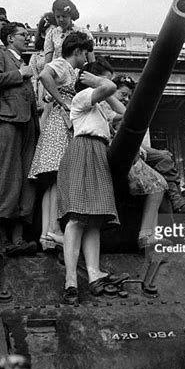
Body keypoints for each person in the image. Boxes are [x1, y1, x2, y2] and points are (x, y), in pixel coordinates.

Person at [57, 69, 125, 304]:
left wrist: (101, 84)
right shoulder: (81, 98)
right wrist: (98, 82)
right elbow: (109, 88)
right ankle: (70, 279)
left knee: (94, 219)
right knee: (76, 218)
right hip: (82, 150)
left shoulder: (99, 109)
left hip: (98, 153)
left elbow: (123, 111)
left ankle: (94, 274)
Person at [29, 32, 94, 250]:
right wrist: (63, 102)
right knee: (58, 177)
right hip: (60, 126)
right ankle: (53, 229)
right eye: (85, 53)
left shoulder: (70, 69)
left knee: (53, 181)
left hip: (58, 125)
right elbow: (44, 76)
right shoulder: (63, 64)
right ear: (77, 51)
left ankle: (48, 232)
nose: (87, 58)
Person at [0, 22, 40, 255]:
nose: (26, 39)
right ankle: (3, 238)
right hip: (8, 120)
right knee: (7, 175)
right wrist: (20, 74)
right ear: (9, 38)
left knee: (27, 176)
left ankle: (18, 238)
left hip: (28, 123)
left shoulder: (21, 59)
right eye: (22, 35)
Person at [103, 74, 168, 249]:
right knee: (157, 182)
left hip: (130, 159)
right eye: (122, 95)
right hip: (106, 157)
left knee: (160, 183)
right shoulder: (102, 103)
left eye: (129, 96)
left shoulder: (116, 107)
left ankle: (147, 234)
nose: (126, 99)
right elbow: (124, 118)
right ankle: (146, 233)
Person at [44, 0, 95, 64]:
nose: (61, 19)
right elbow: (48, 62)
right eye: (58, 16)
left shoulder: (84, 32)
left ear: (71, 16)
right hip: (59, 71)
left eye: (64, 16)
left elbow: (91, 60)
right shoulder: (52, 34)